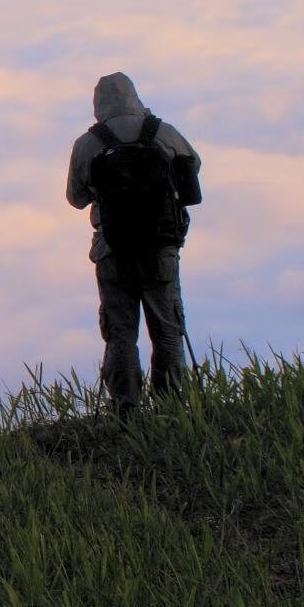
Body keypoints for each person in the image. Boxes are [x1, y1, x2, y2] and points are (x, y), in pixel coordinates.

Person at [65, 72, 202, 420]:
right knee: (167, 329)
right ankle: (171, 409)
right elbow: (193, 168)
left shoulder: (88, 143)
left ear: (98, 104)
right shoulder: (162, 132)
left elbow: (76, 198)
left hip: (113, 252)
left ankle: (125, 410)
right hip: (161, 249)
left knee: (121, 334)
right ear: (134, 96)